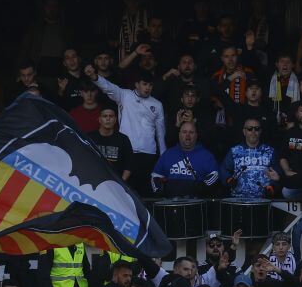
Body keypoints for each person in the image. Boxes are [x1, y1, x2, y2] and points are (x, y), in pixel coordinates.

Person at [85, 64, 164, 197]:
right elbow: (108, 87)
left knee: (146, 193)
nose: (148, 88)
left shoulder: (157, 104)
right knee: (125, 193)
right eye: (144, 84)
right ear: (137, 84)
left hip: (149, 154)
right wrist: (94, 76)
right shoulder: (124, 95)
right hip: (127, 152)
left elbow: (161, 134)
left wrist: (163, 158)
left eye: (150, 85)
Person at [151, 120, 218, 197]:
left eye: (191, 132)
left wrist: (201, 188)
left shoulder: (206, 155)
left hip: (196, 203)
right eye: (184, 132)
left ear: (196, 135)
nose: (188, 135)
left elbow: (215, 174)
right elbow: (155, 176)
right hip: (171, 203)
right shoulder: (167, 154)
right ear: (179, 134)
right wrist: (159, 191)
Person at [220, 117, 279, 198]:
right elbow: (224, 169)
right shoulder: (234, 151)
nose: (253, 131)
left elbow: (277, 174)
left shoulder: (270, 151)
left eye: (257, 129)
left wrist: (272, 186)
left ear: (260, 131)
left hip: (263, 199)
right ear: (244, 131)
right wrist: (228, 180)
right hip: (238, 199)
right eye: (249, 129)